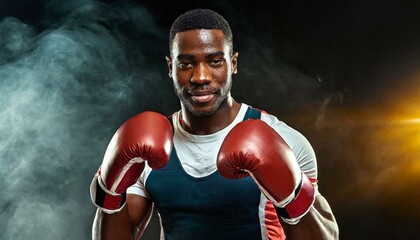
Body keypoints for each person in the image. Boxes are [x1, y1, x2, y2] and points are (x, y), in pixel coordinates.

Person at [90, 8, 339, 240]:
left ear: (234, 63)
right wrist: (109, 192)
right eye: (186, 63)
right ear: (170, 67)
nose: (200, 77)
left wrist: (293, 196)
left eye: (215, 61)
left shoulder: (287, 140)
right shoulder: (148, 146)